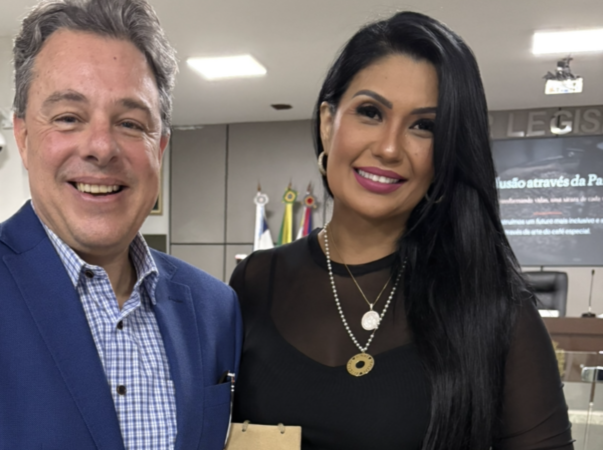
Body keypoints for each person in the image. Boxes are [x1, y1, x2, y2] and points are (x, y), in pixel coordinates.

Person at [0, 1, 241, 449]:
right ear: (22, 137)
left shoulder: (215, 308)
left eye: (131, 123)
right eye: (68, 118)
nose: (101, 147)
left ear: (161, 148)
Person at [230, 11, 573, 450]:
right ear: (328, 123)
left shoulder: (494, 306)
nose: (389, 148)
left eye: (424, 126)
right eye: (370, 112)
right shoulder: (255, 281)